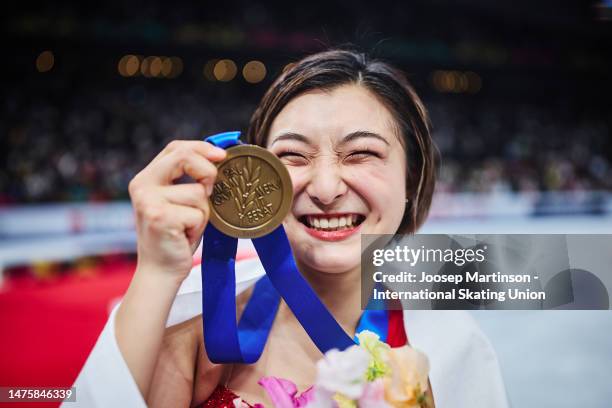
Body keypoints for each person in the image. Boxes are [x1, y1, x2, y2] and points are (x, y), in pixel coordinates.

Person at [68, 49, 509, 407]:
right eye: (294, 157)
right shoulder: (200, 337)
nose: (326, 187)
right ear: (260, 179)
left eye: (360, 154)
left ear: (410, 180)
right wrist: (157, 272)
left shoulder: (452, 348)